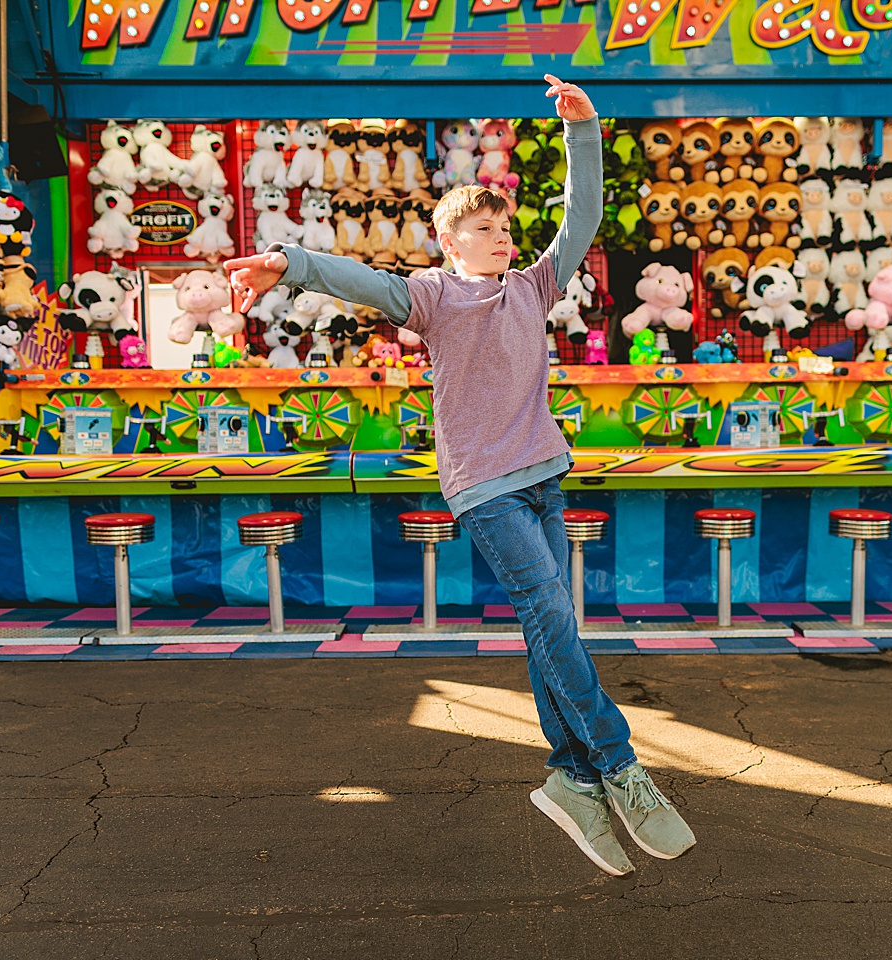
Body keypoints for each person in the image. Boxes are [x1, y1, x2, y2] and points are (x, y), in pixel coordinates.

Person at [225, 76, 695, 876]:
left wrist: (583, 132)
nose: (503, 237)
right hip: (483, 485)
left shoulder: (533, 286)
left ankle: (573, 778)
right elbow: (359, 280)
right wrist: (289, 262)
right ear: (452, 240)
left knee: (556, 627)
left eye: (504, 225)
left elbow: (579, 222)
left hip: (544, 472)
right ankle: (617, 764)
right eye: (485, 227)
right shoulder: (433, 296)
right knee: (548, 607)